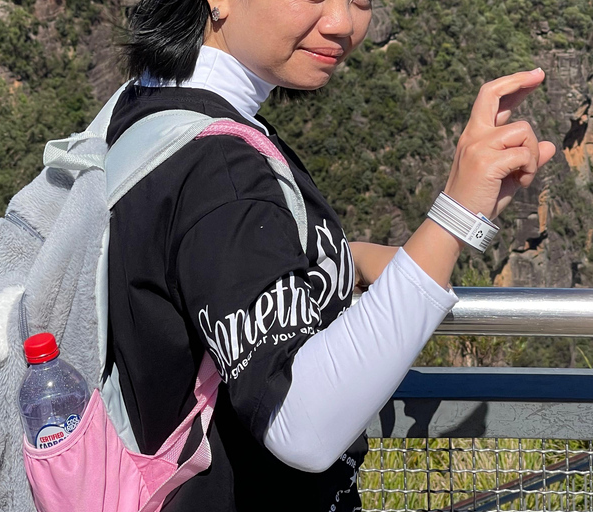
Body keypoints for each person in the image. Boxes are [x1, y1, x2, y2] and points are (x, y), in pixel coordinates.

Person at [104, 0, 556, 511]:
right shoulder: (221, 171)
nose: (342, 22)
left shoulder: (151, 107)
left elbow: (202, 267)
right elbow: (300, 423)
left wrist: (351, 260)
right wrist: (453, 219)